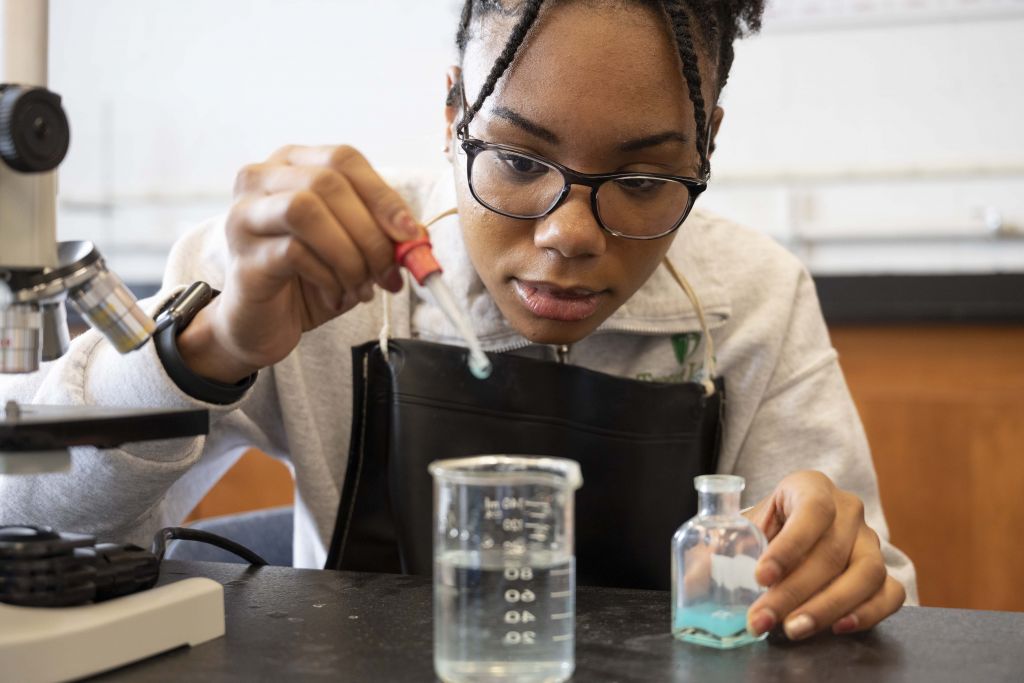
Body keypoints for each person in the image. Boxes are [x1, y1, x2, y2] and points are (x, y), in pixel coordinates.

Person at [0, 0, 914, 642]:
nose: (567, 234)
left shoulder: (753, 298)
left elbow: (882, 589)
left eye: (640, 182)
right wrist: (203, 350)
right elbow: (21, 522)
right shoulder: (299, 268)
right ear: (453, 110)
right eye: (518, 161)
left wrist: (836, 569)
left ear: (708, 137)